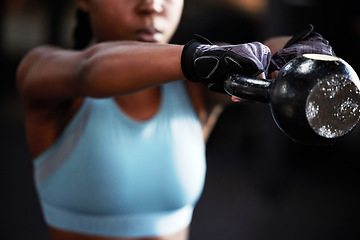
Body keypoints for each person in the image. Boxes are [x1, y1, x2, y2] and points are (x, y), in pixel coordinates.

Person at [16, 1, 273, 240]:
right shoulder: (45, 70)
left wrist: (299, 52)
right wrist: (195, 58)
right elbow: (88, 69)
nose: (152, 5)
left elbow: (274, 49)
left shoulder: (195, 88)